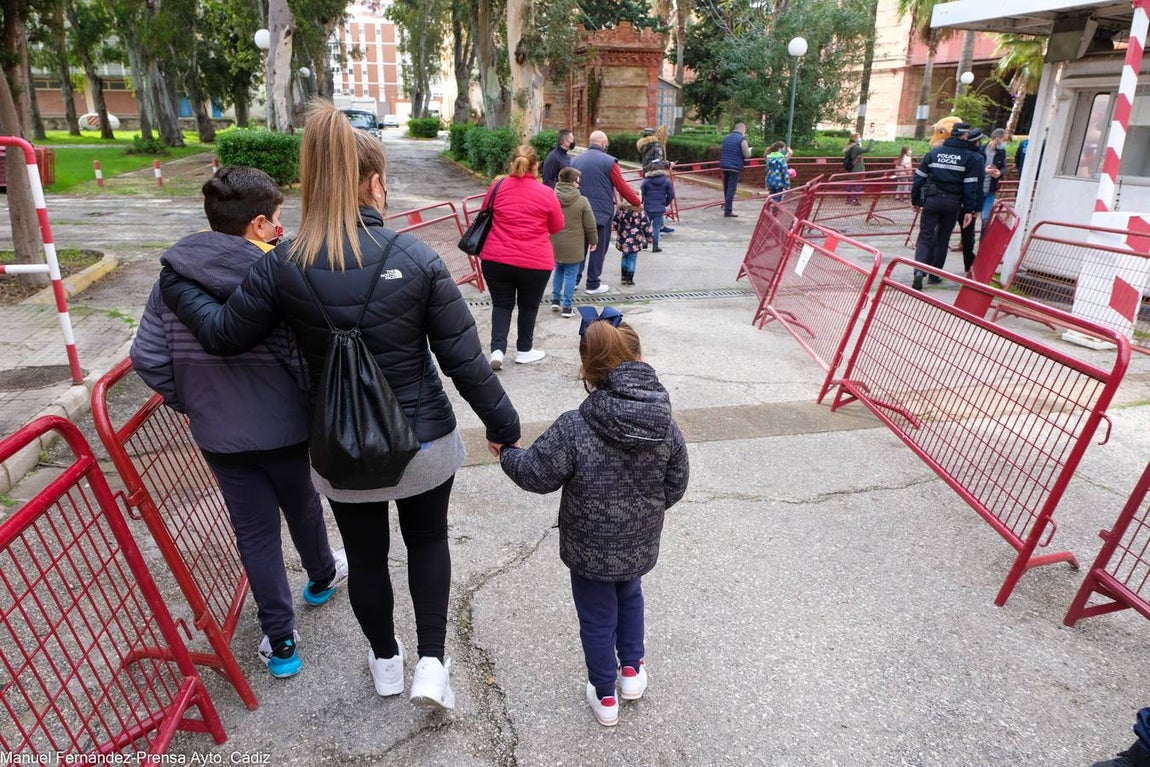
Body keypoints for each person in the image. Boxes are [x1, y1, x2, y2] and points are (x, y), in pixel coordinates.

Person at [158, 102, 521, 710]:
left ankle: (385, 663)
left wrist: (179, 284)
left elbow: (223, 333)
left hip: (341, 445)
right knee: (428, 540)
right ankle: (432, 663)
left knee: (369, 555)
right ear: (374, 182)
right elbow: (465, 361)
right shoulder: (418, 258)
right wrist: (503, 425)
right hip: (424, 439)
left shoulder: (284, 266)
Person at [131, 166, 347, 681]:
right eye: (275, 220)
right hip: (288, 426)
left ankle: (283, 643)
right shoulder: (281, 275)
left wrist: (191, 400)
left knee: (254, 534)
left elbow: (148, 356)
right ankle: (321, 578)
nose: (280, 229)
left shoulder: (173, 278)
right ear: (256, 224)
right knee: (303, 503)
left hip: (219, 434)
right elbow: (304, 352)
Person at [496, 306, 690, 727]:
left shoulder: (576, 426)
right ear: (638, 358)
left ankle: (605, 694)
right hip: (639, 540)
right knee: (631, 596)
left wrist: (508, 455)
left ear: (588, 366)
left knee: (597, 617)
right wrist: (645, 513)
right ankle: (632, 672)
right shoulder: (665, 424)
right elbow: (676, 483)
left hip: (589, 547)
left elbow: (536, 474)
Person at [479, 143, 565, 368]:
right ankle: (524, 350)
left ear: (512, 163)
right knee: (528, 307)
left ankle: (497, 350)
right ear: (536, 166)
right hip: (535, 262)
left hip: (496, 259)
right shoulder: (547, 193)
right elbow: (557, 227)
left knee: (501, 305)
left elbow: (484, 213)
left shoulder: (497, 187)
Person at [910, 121, 983, 290]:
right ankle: (934, 275)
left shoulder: (935, 152)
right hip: (952, 202)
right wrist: (970, 210)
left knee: (925, 236)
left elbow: (919, 177)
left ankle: (919, 271)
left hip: (932, 200)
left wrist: (916, 201)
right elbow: (971, 186)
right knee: (943, 238)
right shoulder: (969, 157)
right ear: (965, 136)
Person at [571, 130, 642, 294]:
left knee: (579, 248)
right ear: (604, 144)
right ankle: (593, 283)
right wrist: (637, 202)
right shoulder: (610, 162)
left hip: (579, 211)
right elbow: (622, 186)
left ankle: (573, 281)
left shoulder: (575, 160)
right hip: (601, 214)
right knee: (598, 248)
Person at [550, 166, 597, 318]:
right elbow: (590, 224)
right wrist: (593, 240)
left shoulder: (551, 197)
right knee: (571, 274)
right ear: (574, 181)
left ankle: (555, 300)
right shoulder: (582, 201)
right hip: (574, 244)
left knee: (558, 269)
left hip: (555, 241)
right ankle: (567, 307)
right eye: (578, 180)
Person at [612, 202, 652, 287]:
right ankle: (630, 279)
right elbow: (646, 226)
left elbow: (614, 223)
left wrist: (619, 230)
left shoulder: (621, 211)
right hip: (635, 239)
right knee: (632, 259)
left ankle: (623, 276)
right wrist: (649, 238)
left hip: (623, 238)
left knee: (624, 256)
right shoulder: (640, 212)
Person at [640, 159, 675, 252]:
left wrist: (642, 202)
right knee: (656, 227)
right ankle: (655, 245)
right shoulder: (666, 181)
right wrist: (665, 203)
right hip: (660, 208)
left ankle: (645, 242)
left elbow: (641, 194)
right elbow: (671, 194)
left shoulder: (646, 181)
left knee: (645, 226)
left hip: (648, 207)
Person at [719, 122, 751, 217]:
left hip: (724, 165)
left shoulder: (726, 138)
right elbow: (747, 155)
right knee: (731, 189)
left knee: (726, 187)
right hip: (735, 166)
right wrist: (749, 151)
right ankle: (728, 210)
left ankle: (726, 205)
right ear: (743, 130)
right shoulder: (742, 139)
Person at [980, 128, 1008, 226]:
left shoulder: (1001, 152)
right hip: (977, 189)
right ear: (997, 139)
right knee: (971, 217)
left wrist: (1000, 173)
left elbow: (1004, 167)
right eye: (1004, 140)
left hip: (991, 189)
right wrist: (984, 170)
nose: (1005, 143)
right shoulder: (981, 149)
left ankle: (983, 240)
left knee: (985, 219)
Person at [842, 133, 874, 205]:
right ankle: (855, 199)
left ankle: (848, 199)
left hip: (851, 168)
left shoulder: (849, 147)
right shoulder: (855, 148)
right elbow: (867, 150)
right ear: (855, 139)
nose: (860, 139)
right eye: (859, 137)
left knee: (850, 183)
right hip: (858, 168)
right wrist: (871, 141)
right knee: (858, 184)